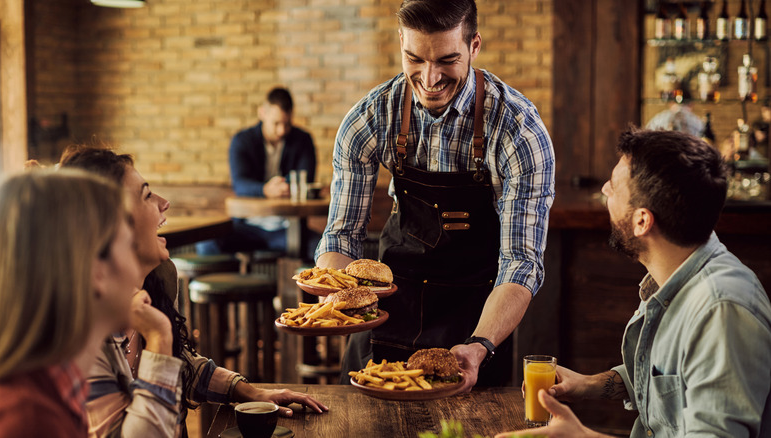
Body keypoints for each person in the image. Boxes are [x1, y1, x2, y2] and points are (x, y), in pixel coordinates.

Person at [316, 0, 555, 389]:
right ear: (400, 43)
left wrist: (480, 344)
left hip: (476, 322)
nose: (429, 77)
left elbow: (521, 263)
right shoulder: (371, 118)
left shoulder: (518, 130)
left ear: (474, 46)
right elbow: (342, 236)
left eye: (447, 60)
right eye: (415, 59)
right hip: (387, 312)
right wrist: (339, 300)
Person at [500, 129, 771, 438]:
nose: (604, 190)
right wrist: (588, 384)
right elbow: (670, 377)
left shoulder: (722, 312)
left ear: (642, 220)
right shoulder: (675, 275)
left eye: (614, 186)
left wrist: (583, 437)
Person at [59, 145, 327, 438]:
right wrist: (160, 337)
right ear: (110, 225)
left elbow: (181, 366)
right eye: (147, 195)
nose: (165, 203)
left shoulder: (156, 282)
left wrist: (251, 392)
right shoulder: (82, 335)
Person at [0, 170, 140, 437]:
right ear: (97, 271)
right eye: (130, 246)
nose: (137, 269)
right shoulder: (27, 422)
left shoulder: (53, 392)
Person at [197, 87, 321, 259]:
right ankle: (237, 284)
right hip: (248, 227)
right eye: (276, 123)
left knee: (323, 249)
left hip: (288, 228)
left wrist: (284, 188)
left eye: (287, 124)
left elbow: (305, 180)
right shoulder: (242, 140)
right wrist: (265, 190)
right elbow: (240, 184)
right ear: (262, 113)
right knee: (206, 244)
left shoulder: (303, 140)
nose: (282, 130)